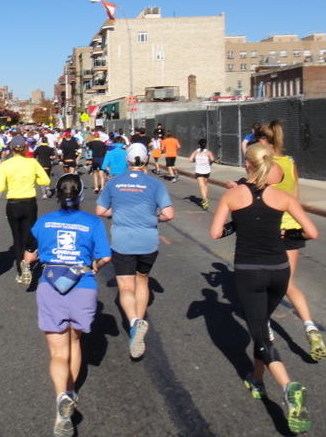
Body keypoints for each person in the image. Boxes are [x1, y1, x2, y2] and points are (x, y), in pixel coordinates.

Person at [209, 143, 318, 435]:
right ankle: (257, 380)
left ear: (247, 164)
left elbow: (216, 232)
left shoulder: (233, 195)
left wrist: (237, 225)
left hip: (249, 272)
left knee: (259, 334)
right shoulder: (282, 196)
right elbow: (312, 232)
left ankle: (288, 386)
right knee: (260, 328)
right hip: (279, 272)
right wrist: (288, 232)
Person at [24, 173, 111, 437]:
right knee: (74, 343)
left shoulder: (43, 222)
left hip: (51, 285)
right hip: (83, 284)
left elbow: (28, 256)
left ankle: (62, 396)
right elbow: (105, 257)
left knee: (58, 352)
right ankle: (71, 392)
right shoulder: (93, 222)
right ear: (81, 194)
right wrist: (93, 266)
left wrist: (27, 264)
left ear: (58, 195)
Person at [258, 120, 326, 361]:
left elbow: (258, 198)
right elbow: (295, 197)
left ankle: (264, 325)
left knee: (265, 283)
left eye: (259, 140)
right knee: (287, 283)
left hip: (271, 229)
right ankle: (310, 326)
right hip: (292, 228)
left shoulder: (265, 166)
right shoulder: (289, 163)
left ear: (264, 141)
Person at [96, 143, 174, 359]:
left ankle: (134, 323)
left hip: (123, 241)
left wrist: (117, 212)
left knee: (125, 286)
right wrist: (152, 218)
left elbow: (100, 210)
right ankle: (139, 323)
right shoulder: (155, 184)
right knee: (142, 280)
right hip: (148, 241)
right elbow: (169, 214)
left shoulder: (114, 182)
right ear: (146, 160)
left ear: (128, 161)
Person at [0, 140, 50, 285]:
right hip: (29, 203)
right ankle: (28, 264)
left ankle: (20, 271)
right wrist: (34, 178)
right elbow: (45, 181)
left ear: (11, 148)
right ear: (26, 148)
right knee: (28, 236)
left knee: (17, 237)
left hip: (13, 203)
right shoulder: (32, 163)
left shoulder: (5, 165)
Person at [189, 139, 215, 210]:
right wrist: (209, 163)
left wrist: (195, 160)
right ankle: (205, 198)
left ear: (199, 145)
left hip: (199, 171)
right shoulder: (208, 152)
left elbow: (190, 160)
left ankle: (205, 200)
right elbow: (212, 159)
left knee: (202, 186)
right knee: (205, 185)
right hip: (207, 171)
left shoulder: (196, 152)